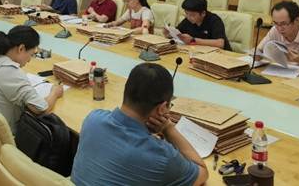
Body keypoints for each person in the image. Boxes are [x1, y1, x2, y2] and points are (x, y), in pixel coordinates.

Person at [71, 63, 208, 186]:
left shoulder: (93, 119)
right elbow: (202, 173)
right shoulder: (162, 157)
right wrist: (168, 128)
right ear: (162, 108)